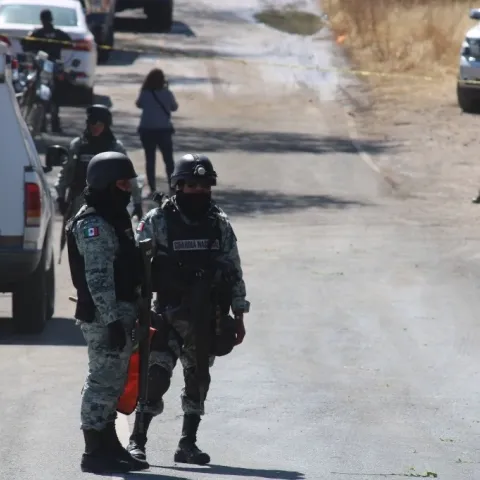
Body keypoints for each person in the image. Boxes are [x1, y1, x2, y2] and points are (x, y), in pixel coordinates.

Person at [127, 153, 250, 464]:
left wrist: (239, 313)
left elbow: (233, 269)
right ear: (177, 186)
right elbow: (136, 269)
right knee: (155, 378)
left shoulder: (218, 223)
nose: (199, 191)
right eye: (192, 185)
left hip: (207, 315)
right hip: (167, 313)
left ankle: (187, 444)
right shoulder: (157, 221)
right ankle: (137, 441)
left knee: (198, 380)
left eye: (205, 186)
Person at [65, 151, 150, 474]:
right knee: (102, 381)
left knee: (114, 382)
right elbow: (98, 278)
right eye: (122, 183)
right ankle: (93, 451)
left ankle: (108, 443)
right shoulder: (94, 224)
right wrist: (112, 320)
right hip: (105, 316)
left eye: (129, 183)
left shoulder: (113, 217)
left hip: (120, 312)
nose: (127, 189)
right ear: (105, 184)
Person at [55, 104, 143, 222]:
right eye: (92, 124)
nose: (95, 127)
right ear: (88, 124)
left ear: (106, 126)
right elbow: (65, 172)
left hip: (108, 203)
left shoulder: (115, 148)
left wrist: (137, 203)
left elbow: (128, 176)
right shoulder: (78, 145)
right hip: (79, 201)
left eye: (99, 124)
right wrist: (60, 197)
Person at [21, 9, 74, 132]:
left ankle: (46, 123)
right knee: (52, 97)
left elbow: (25, 44)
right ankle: (50, 124)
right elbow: (69, 43)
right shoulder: (58, 33)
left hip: (45, 68)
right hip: (49, 68)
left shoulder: (38, 33)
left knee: (47, 95)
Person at [135, 68, 178, 197]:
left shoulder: (145, 93)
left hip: (147, 130)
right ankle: (172, 185)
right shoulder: (167, 93)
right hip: (164, 130)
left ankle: (152, 187)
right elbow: (174, 107)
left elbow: (139, 104)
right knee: (168, 160)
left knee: (150, 159)